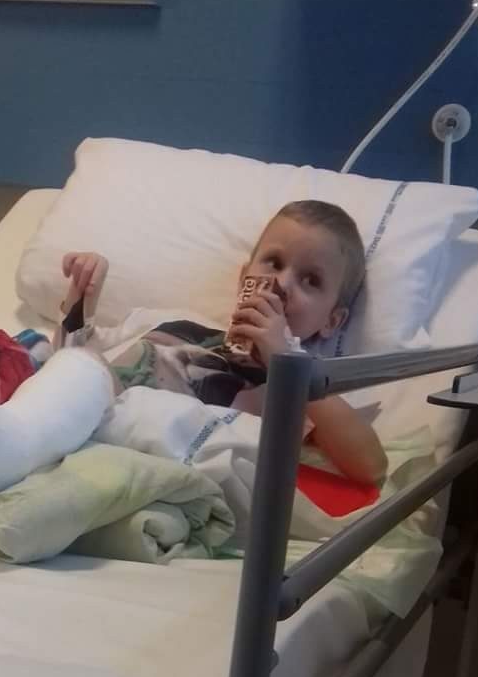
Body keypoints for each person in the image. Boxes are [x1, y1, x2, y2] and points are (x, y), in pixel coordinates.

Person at [62, 200, 387, 486]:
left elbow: (371, 466)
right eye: (274, 263)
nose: (282, 284)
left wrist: (287, 360)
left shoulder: (292, 394)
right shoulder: (173, 320)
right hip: (76, 416)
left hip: (125, 454)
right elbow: (73, 355)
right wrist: (81, 296)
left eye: (311, 280)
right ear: (244, 277)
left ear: (332, 321)